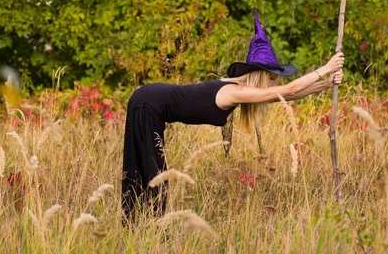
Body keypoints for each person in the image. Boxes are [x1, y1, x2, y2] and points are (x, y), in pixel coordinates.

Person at [121, 11, 344, 220]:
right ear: (259, 76)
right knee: (153, 175)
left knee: (151, 174)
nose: (276, 83)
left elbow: (287, 96)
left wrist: (325, 84)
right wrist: (324, 68)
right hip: (147, 103)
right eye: (273, 78)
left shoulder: (242, 90)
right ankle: (147, 230)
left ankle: (145, 228)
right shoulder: (235, 92)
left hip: (150, 103)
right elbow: (289, 90)